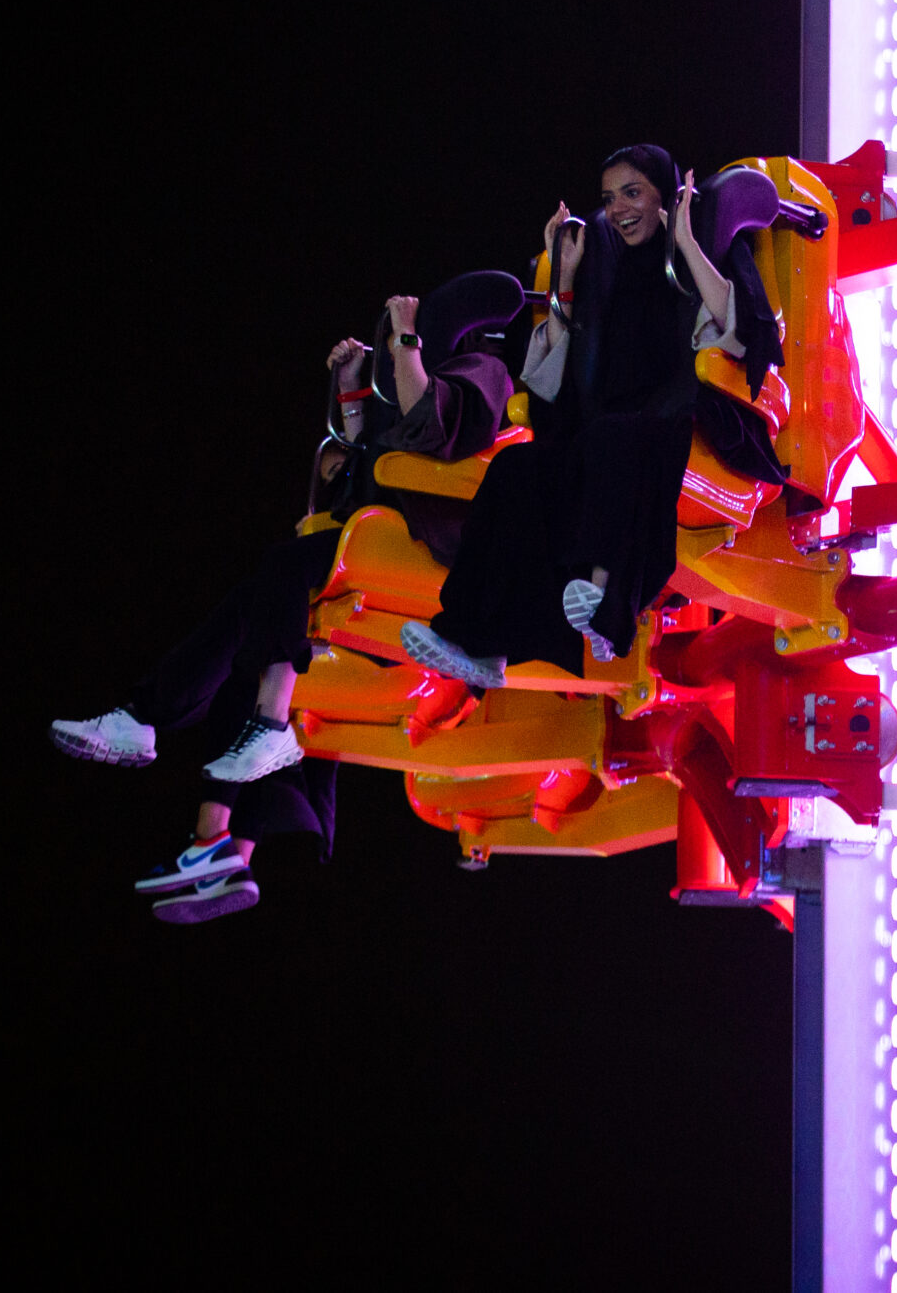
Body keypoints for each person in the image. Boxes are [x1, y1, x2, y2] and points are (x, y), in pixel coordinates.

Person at [49, 274, 521, 922]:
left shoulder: (484, 371)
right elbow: (365, 457)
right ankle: (216, 846)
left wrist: (406, 339)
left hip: (416, 572)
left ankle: (201, 730)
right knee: (250, 637)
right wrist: (353, 385)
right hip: (372, 558)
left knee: (274, 588)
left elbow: (430, 429)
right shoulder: (415, 373)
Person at [401, 144, 781, 681]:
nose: (619, 208)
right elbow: (553, 375)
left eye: (633, 192)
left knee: (616, 438)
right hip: (605, 434)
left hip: (682, 429)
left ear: (665, 196)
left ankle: (606, 603)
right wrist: (564, 275)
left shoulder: (696, 256)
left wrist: (687, 241)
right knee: (515, 469)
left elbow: (740, 332)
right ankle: (473, 640)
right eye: (609, 198)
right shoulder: (608, 272)